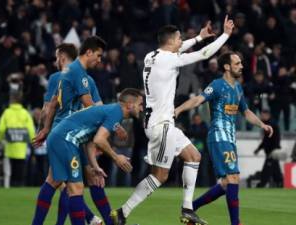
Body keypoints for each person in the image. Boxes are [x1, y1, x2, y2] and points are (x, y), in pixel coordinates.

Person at [111, 16, 235, 225]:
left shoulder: (152, 55)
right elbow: (204, 54)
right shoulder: (169, 59)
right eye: (179, 39)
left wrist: (198, 37)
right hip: (161, 125)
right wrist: (225, 35)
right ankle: (122, 213)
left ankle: (187, 209)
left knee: (193, 156)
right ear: (171, 41)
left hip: (163, 122)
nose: (181, 42)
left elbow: (182, 48)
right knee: (160, 176)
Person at [174, 52, 273, 225]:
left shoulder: (238, 88)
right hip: (219, 136)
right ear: (227, 67)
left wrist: (262, 125)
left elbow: (246, 111)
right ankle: (235, 223)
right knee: (233, 178)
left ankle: (191, 209)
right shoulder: (217, 85)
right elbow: (198, 99)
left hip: (230, 138)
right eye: (237, 63)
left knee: (227, 183)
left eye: (241, 63)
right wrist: (179, 109)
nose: (241, 66)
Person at [32, 38, 108, 225]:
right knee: (77, 180)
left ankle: (95, 219)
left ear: (63, 57)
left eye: (57, 57)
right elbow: (98, 106)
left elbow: (47, 108)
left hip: (65, 133)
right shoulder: (88, 79)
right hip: (78, 135)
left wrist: (44, 129)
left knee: (62, 181)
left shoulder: (56, 78)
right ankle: (101, 220)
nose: (55, 61)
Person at [47, 88, 142, 225]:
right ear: (129, 105)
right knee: (74, 188)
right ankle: (96, 220)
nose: (142, 108)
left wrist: (95, 166)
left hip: (65, 139)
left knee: (76, 184)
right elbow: (99, 140)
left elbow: (92, 142)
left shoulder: (113, 111)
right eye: (140, 104)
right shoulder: (116, 112)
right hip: (66, 139)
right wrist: (116, 157)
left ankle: (98, 221)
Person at [0, 91, 36, 188]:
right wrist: (33, 141)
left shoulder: (7, 113)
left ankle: (10, 185)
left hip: (10, 147)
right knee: (20, 169)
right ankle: (19, 185)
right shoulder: (25, 113)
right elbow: (31, 130)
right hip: (21, 148)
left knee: (10, 169)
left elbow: (1, 129)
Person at [254, 110, 283, 188]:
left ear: (267, 115)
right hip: (272, 151)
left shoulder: (271, 125)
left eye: (262, 115)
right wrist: (258, 149)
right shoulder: (270, 124)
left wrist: (273, 150)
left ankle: (262, 184)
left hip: (272, 151)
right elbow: (266, 140)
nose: (261, 117)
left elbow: (269, 140)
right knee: (275, 168)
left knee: (267, 168)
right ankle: (280, 182)